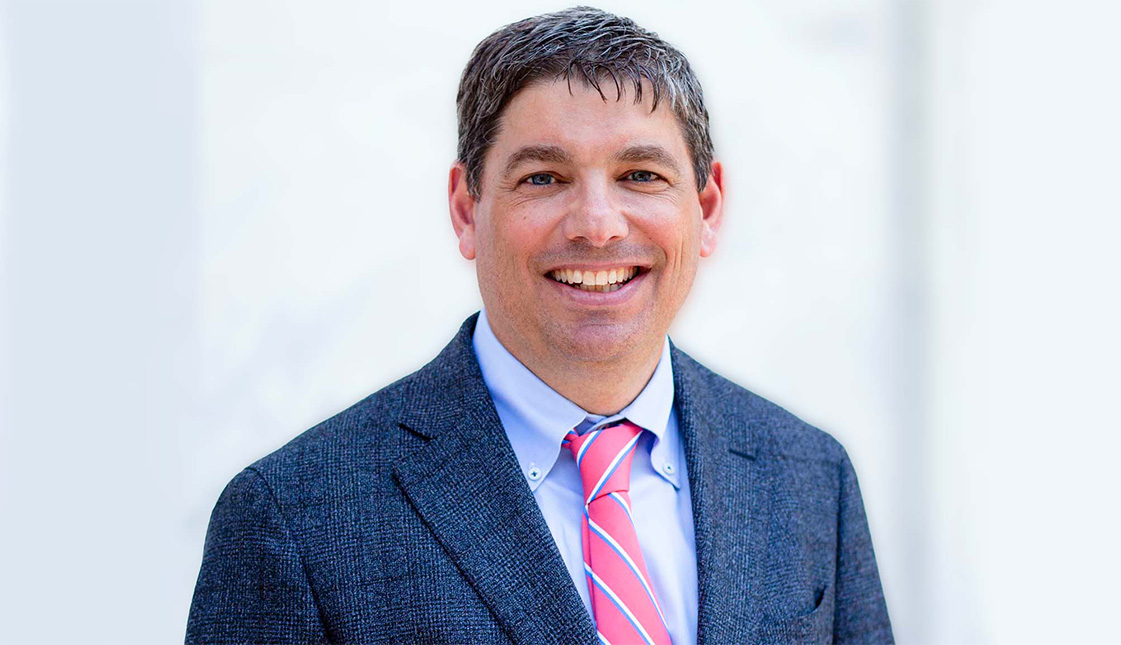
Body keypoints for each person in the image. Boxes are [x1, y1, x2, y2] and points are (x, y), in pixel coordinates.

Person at [186, 6, 893, 644]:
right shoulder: (293, 516)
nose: (596, 225)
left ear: (706, 209)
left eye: (640, 174)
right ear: (466, 210)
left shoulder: (808, 476)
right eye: (543, 178)